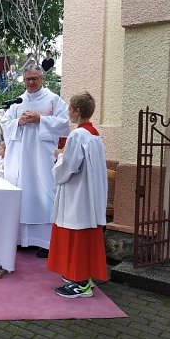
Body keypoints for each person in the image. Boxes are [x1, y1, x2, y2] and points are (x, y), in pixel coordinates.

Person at [0, 64, 69, 257]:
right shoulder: (18, 101)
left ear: (41, 79)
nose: (30, 82)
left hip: (42, 157)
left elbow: (65, 124)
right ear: (23, 80)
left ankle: (45, 242)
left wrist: (41, 120)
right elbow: (5, 123)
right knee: (21, 193)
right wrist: (18, 122)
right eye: (27, 79)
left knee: (44, 194)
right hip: (20, 157)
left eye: (34, 79)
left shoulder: (53, 100)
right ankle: (21, 239)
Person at [48, 92, 108, 298]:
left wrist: (59, 157)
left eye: (70, 109)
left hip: (77, 193)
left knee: (76, 234)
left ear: (77, 111)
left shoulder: (77, 135)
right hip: (88, 193)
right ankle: (79, 275)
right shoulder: (94, 135)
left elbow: (70, 166)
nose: (68, 112)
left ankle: (81, 283)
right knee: (82, 234)